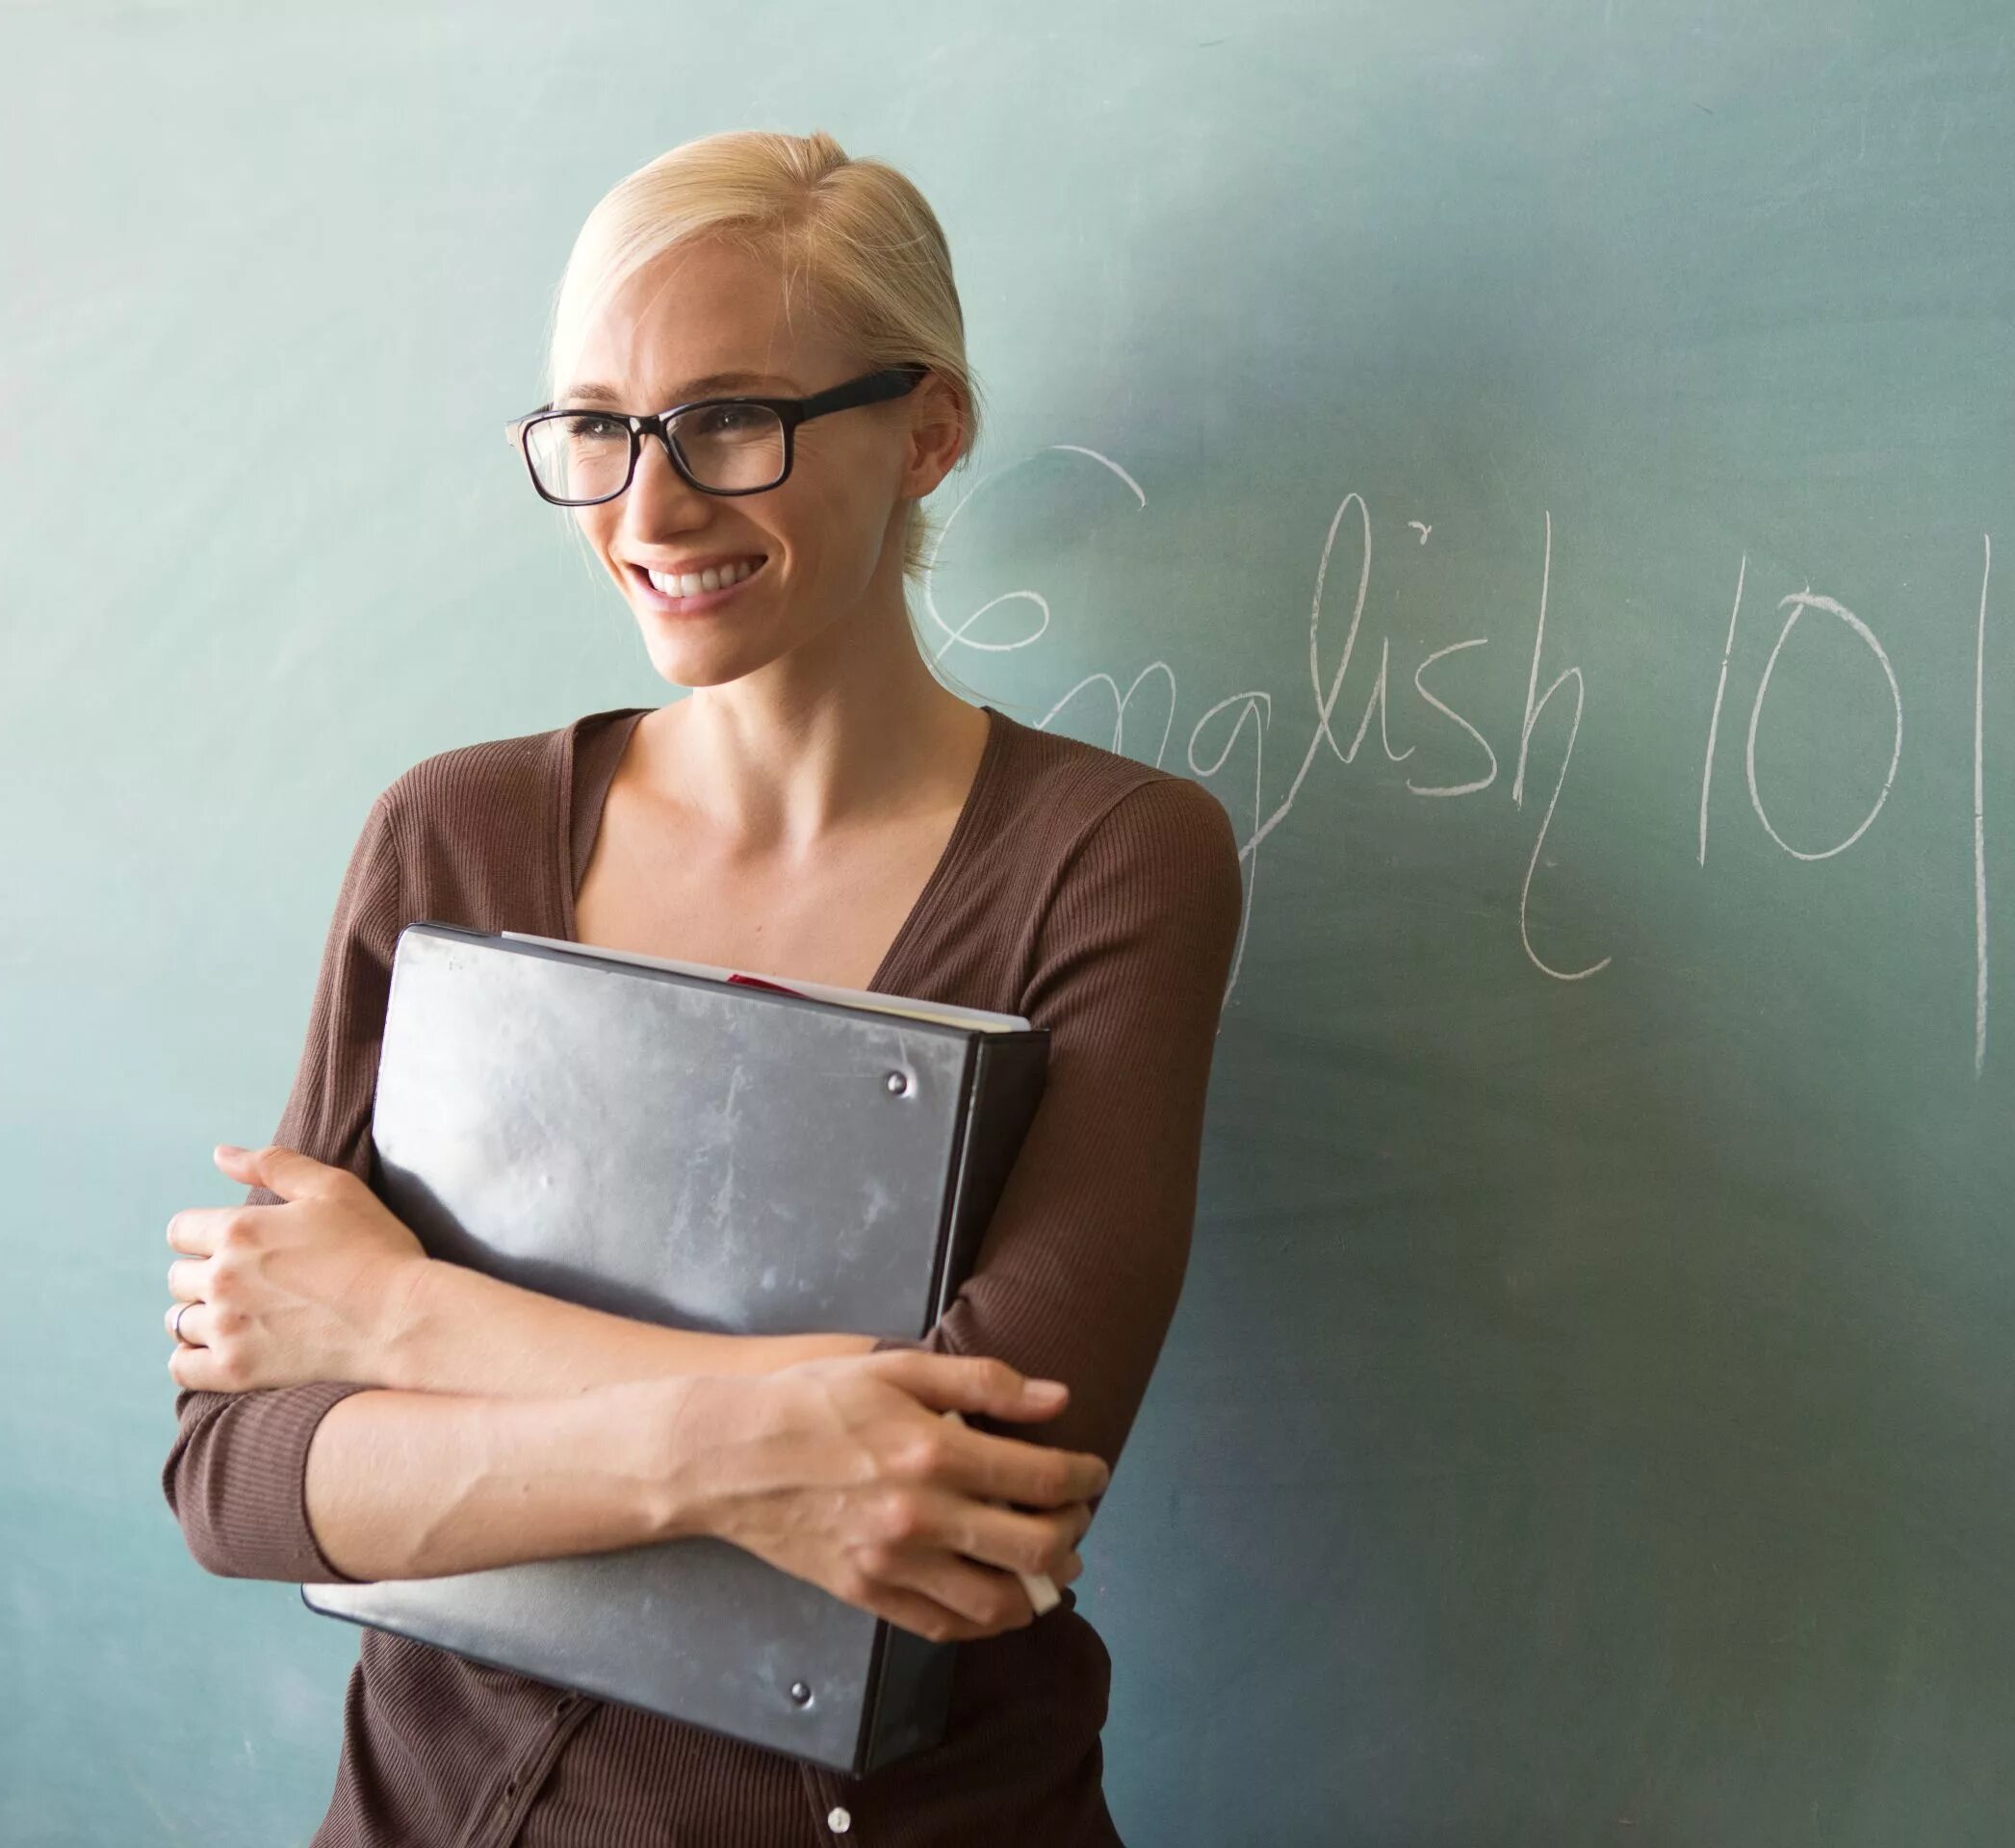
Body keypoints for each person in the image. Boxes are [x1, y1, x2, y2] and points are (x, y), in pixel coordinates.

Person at [158, 127, 1245, 1847]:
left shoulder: (1111, 859)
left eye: (733, 420)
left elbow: (965, 1517)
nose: (650, 511)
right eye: (597, 427)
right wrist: (754, 1453)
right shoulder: (454, 833)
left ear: (929, 429)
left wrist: (403, 1324)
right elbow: (239, 1479)